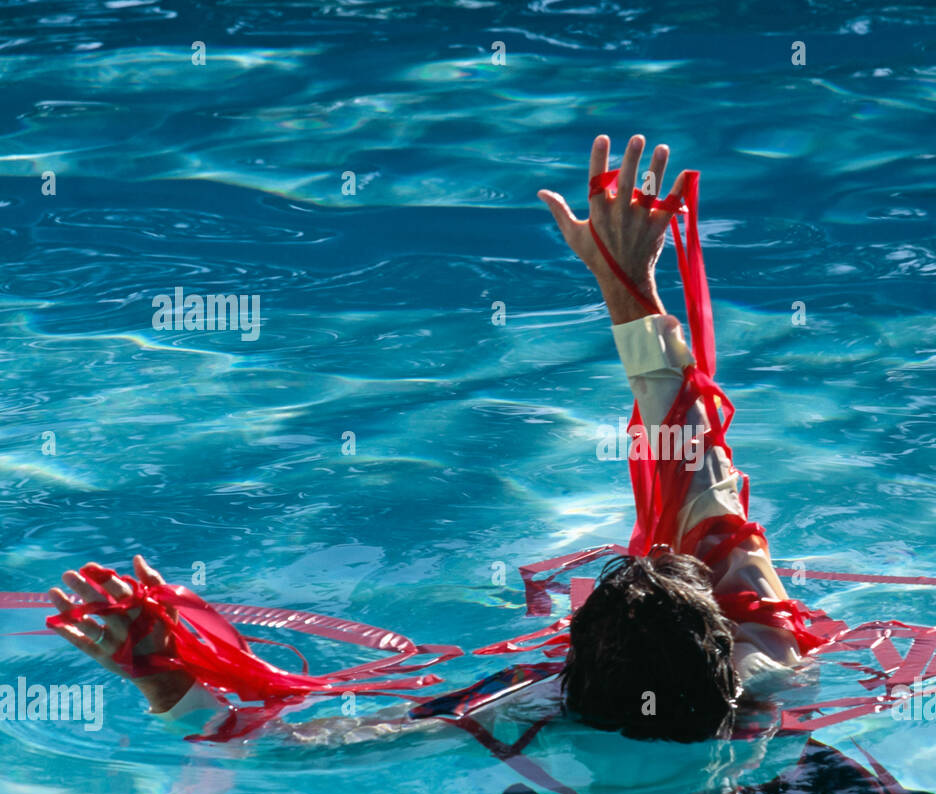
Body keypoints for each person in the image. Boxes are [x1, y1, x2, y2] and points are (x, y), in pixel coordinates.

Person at [47, 134, 814, 743]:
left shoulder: (529, 707)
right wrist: (633, 286)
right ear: (726, 650)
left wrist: (158, 672)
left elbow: (288, 748)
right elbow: (695, 453)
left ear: (572, 673)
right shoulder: (769, 659)